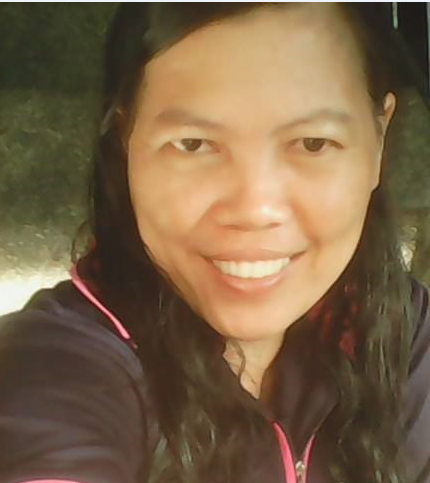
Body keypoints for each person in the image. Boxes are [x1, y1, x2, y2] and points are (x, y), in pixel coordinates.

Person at [0, 3, 429, 483]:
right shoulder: (50, 368)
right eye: (193, 144)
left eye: (313, 143)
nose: (254, 209)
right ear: (125, 145)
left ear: (378, 140)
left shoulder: (408, 337)